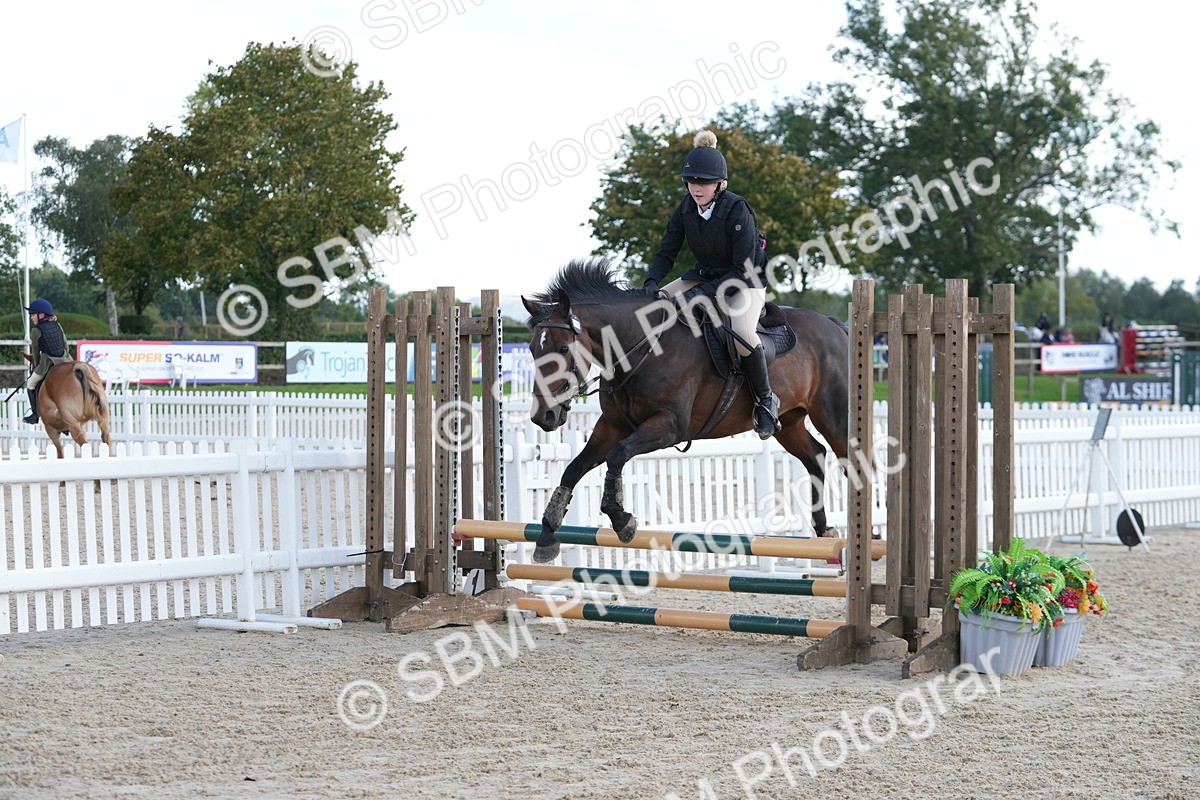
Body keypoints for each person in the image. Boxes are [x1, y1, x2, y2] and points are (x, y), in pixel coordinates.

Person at [641, 130, 778, 438]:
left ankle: (766, 401)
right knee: (656, 303)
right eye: (691, 182)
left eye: (702, 183)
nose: (695, 188)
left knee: (742, 333)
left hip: (745, 281)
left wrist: (699, 294)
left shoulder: (737, 210)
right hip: (706, 274)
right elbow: (667, 251)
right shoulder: (686, 208)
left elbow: (741, 270)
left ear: (719, 184)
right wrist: (651, 283)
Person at [21, 299, 73, 424]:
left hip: (47, 362)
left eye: (33, 314)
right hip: (66, 360)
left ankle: (34, 414)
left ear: (41, 315)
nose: (32, 317)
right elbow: (65, 345)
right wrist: (65, 358)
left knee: (31, 384)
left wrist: (35, 366)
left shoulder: (36, 331)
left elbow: (36, 353)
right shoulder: (57, 325)